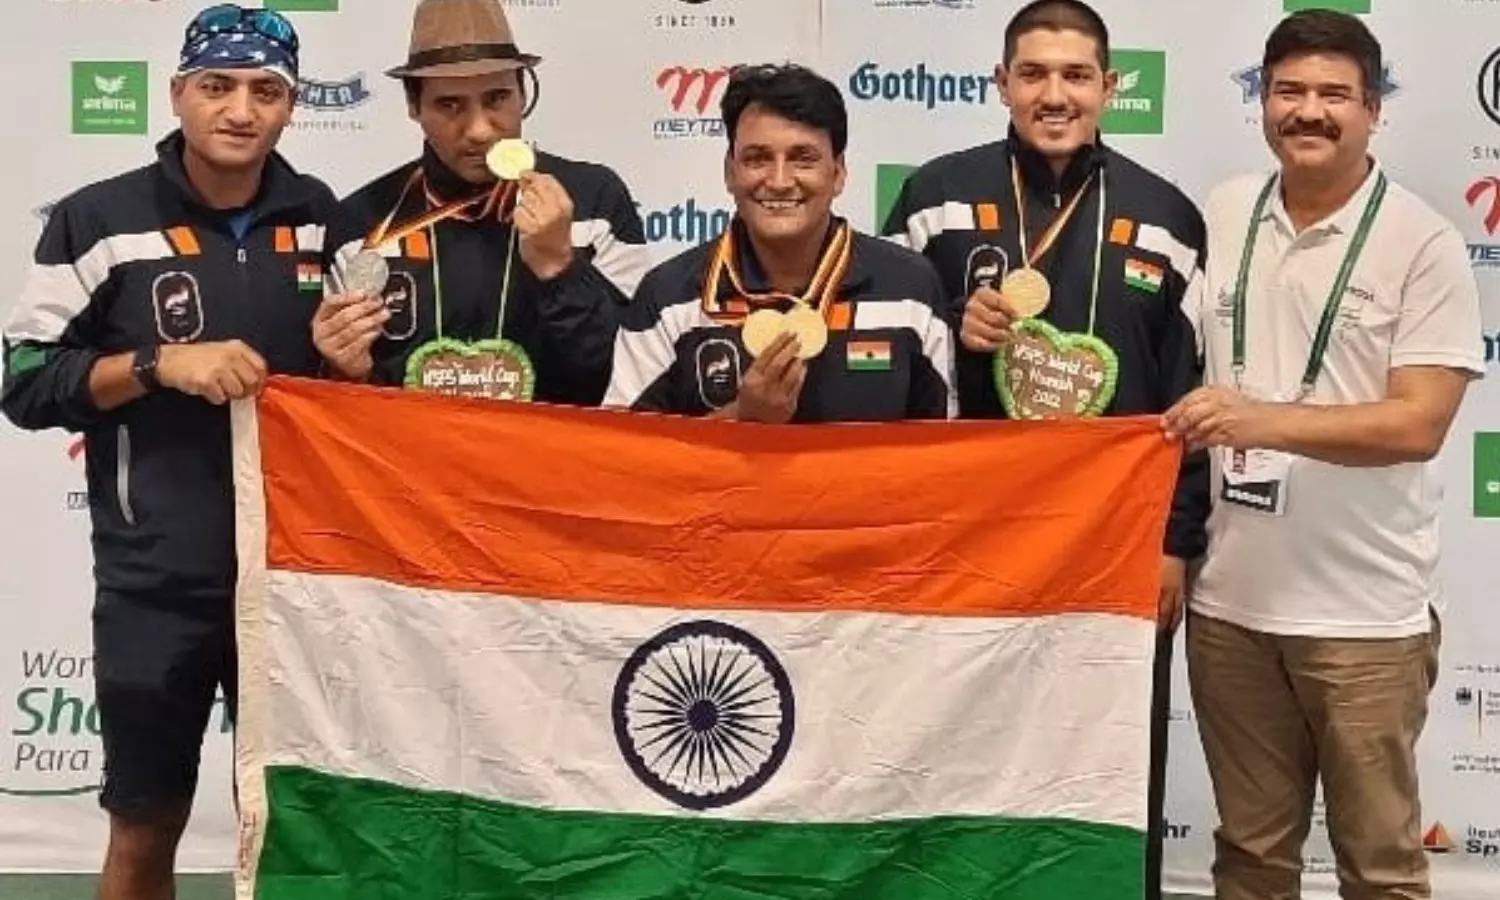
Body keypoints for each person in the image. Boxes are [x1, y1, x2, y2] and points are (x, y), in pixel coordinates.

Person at [0, 6, 335, 898]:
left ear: (291, 106)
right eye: (218, 86)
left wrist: (350, 360)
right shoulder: (97, 219)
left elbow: (361, 395)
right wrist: (158, 364)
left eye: (266, 91)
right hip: (157, 586)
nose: (241, 110)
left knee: (303, 832)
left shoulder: (323, 220)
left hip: (298, 581)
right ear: (179, 92)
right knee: (146, 826)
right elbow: (25, 380)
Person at [879, 1, 1207, 893]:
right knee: (953, 752)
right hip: (966, 539)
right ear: (1001, 83)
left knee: (1110, 760)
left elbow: (1188, 394)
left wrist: (1176, 540)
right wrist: (955, 324)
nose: (1054, 95)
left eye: (1075, 76)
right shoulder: (936, 197)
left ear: (1110, 86)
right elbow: (891, 356)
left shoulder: (1167, 216)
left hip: (1113, 546)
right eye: (1032, 74)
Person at [1164, 10, 1485, 900]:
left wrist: (1260, 421)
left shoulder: (1422, 243)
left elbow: (1418, 424)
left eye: (1335, 94)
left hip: (1365, 621)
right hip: (1230, 608)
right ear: (1263, 102)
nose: (1309, 111)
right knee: (1249, 858)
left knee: (1380, 868)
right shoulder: (1225, 212)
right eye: (1289, 91)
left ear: (1374, 108)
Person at [314, 0, 648, 404]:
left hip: (555, 445)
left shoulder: (595, 202)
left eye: (496, 99)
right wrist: (348, 370)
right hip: (411, 446)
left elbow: (628, 380)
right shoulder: (362, 222)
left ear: (523, 93)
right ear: (413, 106)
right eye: (449, 105)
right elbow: (349, 406)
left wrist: (561, 269)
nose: (479, 131)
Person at [604, 63, 955, 422]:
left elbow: (943, 447)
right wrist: (742, 418)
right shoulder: (667, 297)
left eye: (803, 159)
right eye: (757, 159)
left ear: (838, 173)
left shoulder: (911, 288)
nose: (780, 181)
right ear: (730, 172)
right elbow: (626, 451)